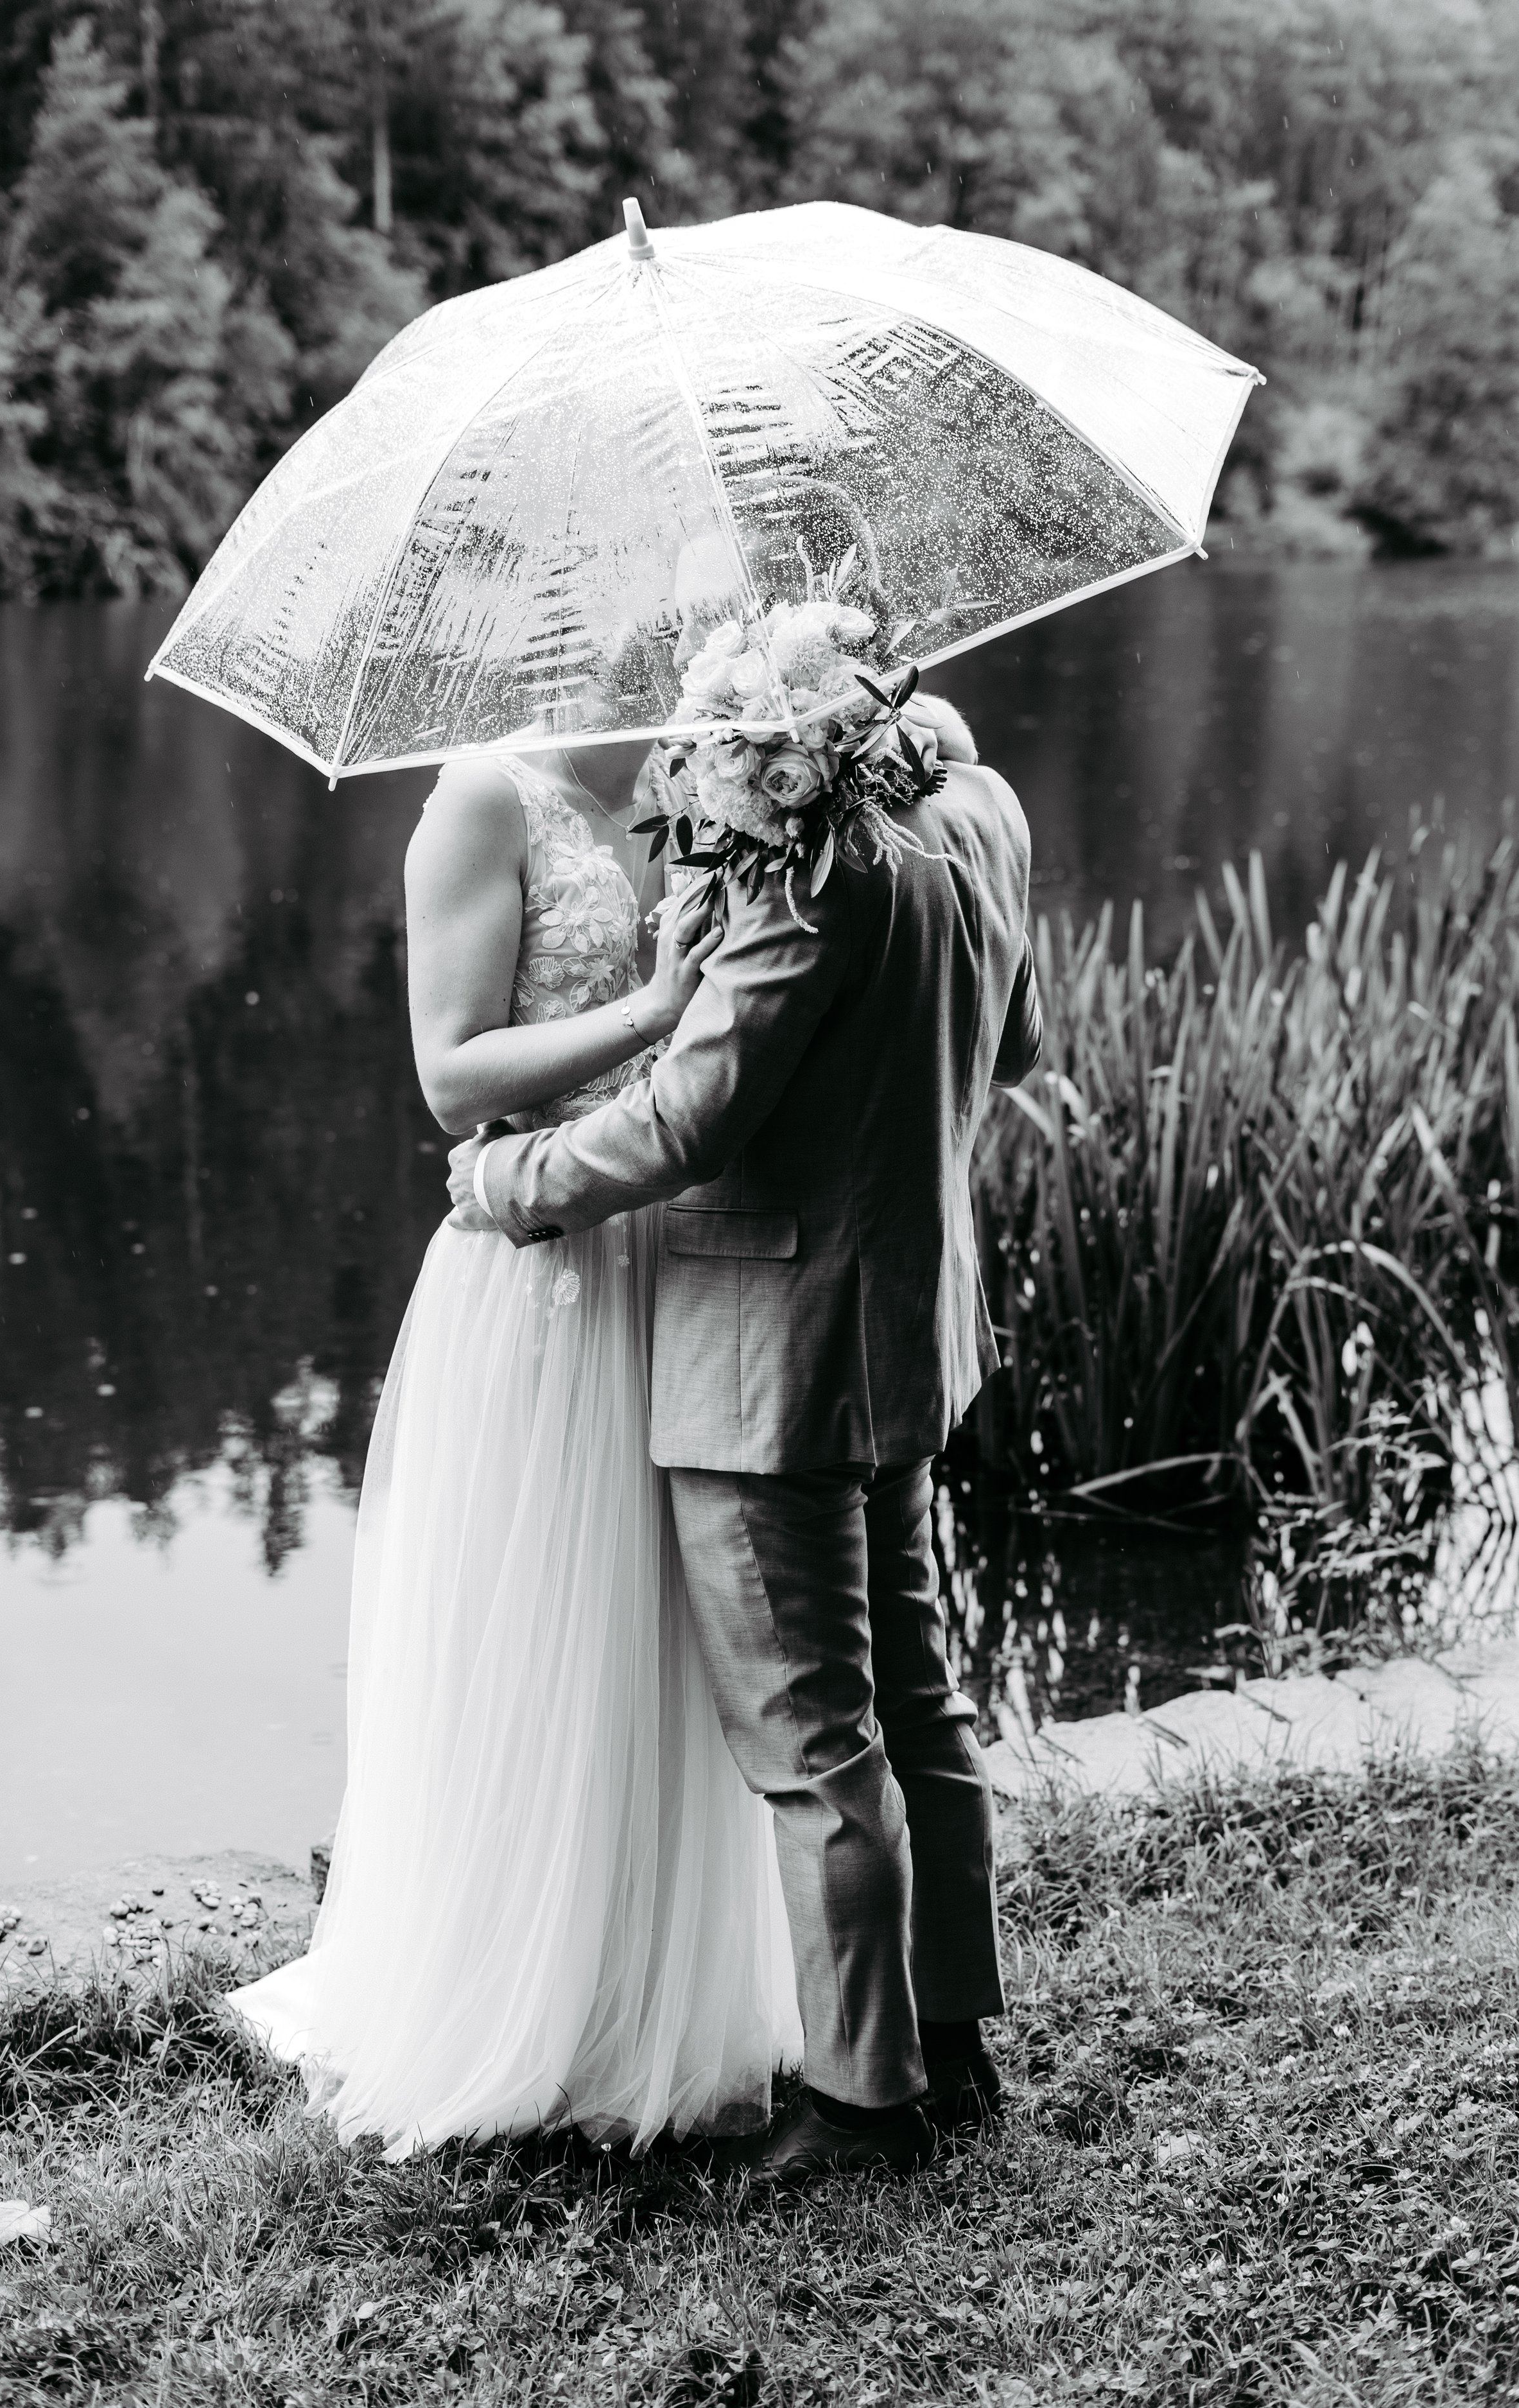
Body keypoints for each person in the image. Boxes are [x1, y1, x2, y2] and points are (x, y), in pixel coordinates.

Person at [449, 692, 1043, 2181]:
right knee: (920, 1697)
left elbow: (690, 1118)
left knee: (808, 1742)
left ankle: (858, 2106)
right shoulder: (980, 814)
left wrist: (507, 1181)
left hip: (763, 1348)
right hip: (907, 1320)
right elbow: (1014, 1044)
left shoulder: (798, 854)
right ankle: (952, 2039)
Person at [227, 738, 802, 2156]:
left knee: (663, 1636)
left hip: (675, 1252)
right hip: (535, 1262)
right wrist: (656, 1006)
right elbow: (449, 1077)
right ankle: (515, 2004)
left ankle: (652, 1994)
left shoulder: (705, 782)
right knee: (535, 1629)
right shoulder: (484, 799)